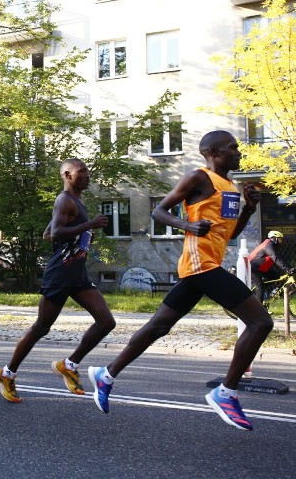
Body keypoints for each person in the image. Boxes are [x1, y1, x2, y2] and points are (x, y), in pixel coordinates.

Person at [88, 130, 273, 431]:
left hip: (203, 266)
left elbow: (230, 235)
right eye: (233, 148)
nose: (239, 152)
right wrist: (186, 224)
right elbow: (158, 211)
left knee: (158, 326)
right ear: (213, 152)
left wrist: (249, 208)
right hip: (202, 266)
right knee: (261, 322)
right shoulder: (198, 178)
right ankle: (225, 393)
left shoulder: (230, 185)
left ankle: (105, 375)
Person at [0, 159, 115, 402]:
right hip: (60, 274)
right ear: (68, 175)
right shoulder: (64, 200)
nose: (88, 175)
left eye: (88, 171)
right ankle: (6, 374)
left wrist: (83, 234)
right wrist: (89, 225)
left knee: (106, 321)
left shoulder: (76, 202)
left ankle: (69, 365)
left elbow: (48, 233)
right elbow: (56, 233)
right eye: (83, 171)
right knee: (41, 327)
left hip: (77, 274)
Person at [248, 230, 292, 302]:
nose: (281, 241)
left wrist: (290, 268)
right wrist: (287, 269)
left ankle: (257, 288)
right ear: (274, 239)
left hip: (261, 268)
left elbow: (280, 258)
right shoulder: (268, 246)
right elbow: (276, 258)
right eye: (280, 239)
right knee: (260, 288)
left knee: (275, 276)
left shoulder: (273, 246)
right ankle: (259, 310)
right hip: (253, 268)